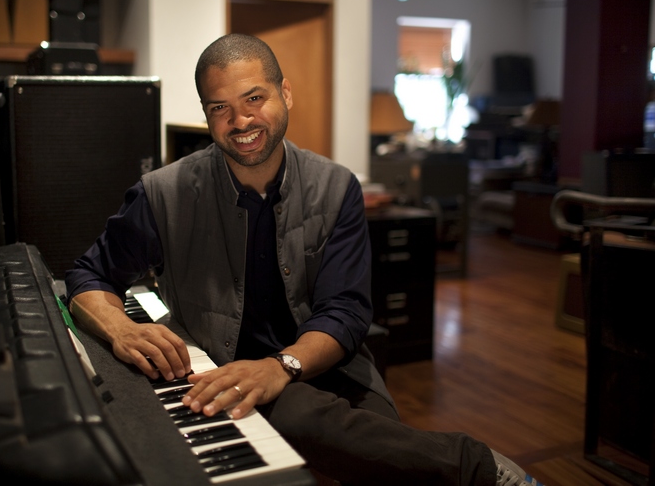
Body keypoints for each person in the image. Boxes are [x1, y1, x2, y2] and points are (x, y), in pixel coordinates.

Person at [65, 33, 542, 486]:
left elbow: (347, 314)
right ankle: (481, 471)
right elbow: (88, 275)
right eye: (221, 108)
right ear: (208, 116)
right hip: (224, 370)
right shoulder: (162, 193)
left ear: (285, 93)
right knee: (305, 418)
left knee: (381, 447)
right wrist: (122, 330)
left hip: (332, 368)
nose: (241, 121)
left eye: (254, 99)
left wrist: (280, 367)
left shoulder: (336, 188)